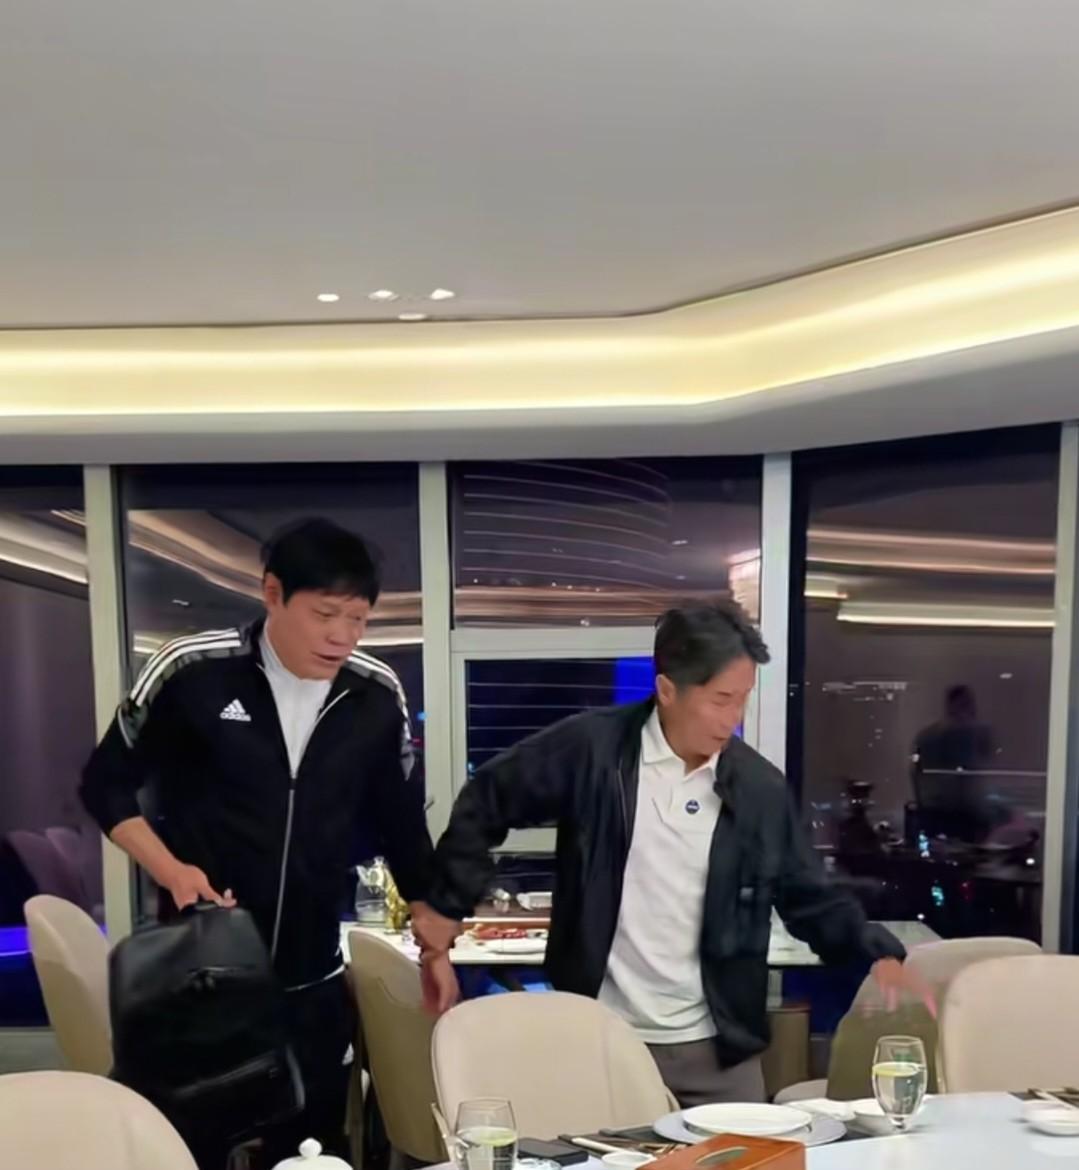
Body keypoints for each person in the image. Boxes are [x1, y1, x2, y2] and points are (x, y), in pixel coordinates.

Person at [414, 600, 934, 1107]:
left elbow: (808, 895)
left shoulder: (758, 789)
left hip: (718, 1049)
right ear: (667, 690)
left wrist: (874, 952)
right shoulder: (593, 753)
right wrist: (445, 905)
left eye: (742, 700)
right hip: (601, 1038)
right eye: (720, 700)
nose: (732, 719)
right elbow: (486, 799)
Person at [80, 518, 435, 1167]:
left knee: (310, 1150)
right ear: (273, 594)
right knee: (190, 1148)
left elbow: (403, 828)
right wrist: (173, 870)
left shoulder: (374, 695)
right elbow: (104, 786)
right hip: (204, 976)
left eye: (358, 619)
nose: (343, 636)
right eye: (325, 614)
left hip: (313, 977)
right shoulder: (192, 670)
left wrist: (434, 938)